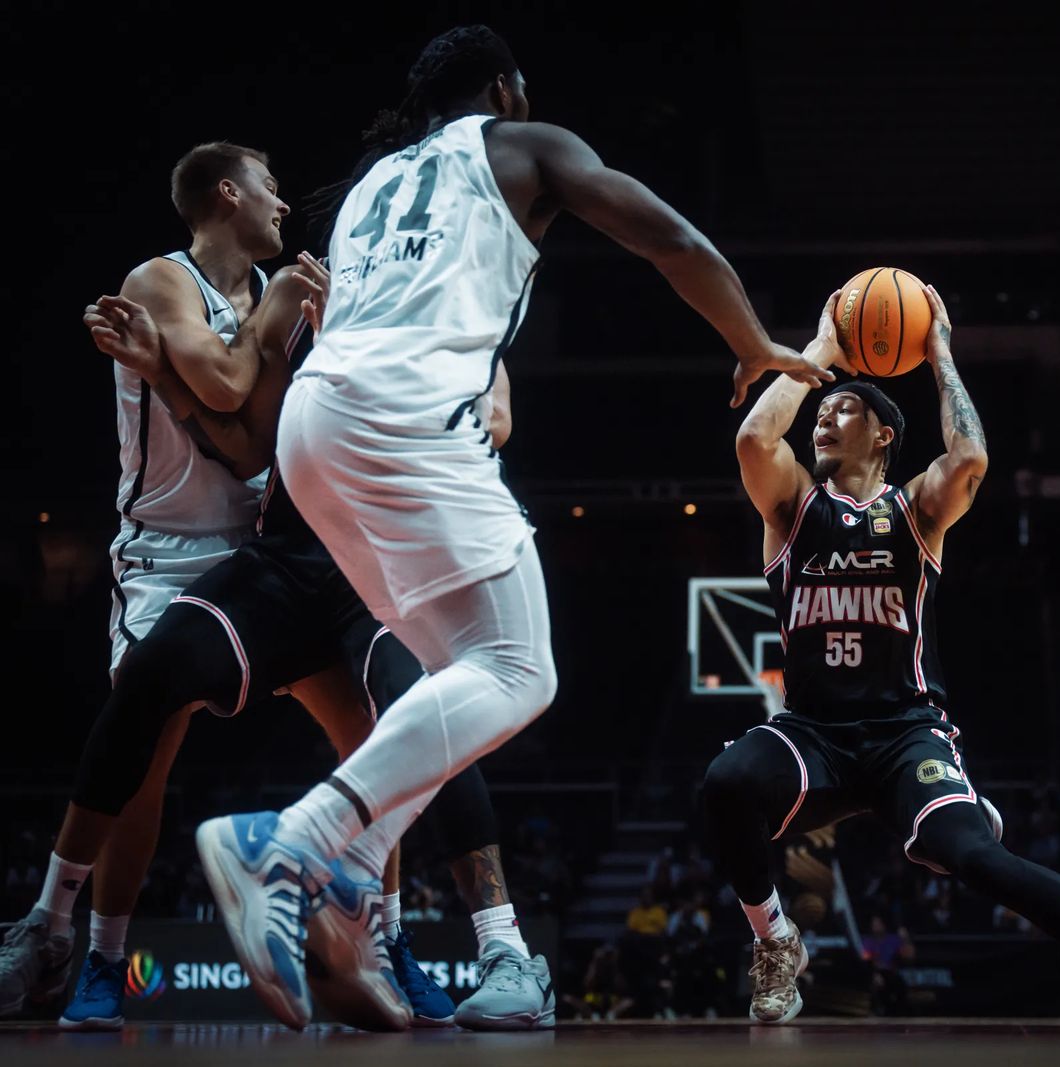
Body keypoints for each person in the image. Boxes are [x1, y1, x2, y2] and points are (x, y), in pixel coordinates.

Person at [194, 23, 830, 1032]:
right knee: (522, 671)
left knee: (456, 686)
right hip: (405, 418)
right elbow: (672, 237)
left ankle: (351, 884)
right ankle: (293, 840)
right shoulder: (521, 145)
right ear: (503, 88)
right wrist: (753, 343)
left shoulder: (374, 180)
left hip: (314, 428)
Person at [701, 289, 1060, 1027]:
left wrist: (940, 350)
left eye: (845, 408)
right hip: (812, 733)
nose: (824, 413)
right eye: (822, 407)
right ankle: (775, 940)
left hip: (904, 732)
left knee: (976, 858)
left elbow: (973, 455)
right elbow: (755, 440)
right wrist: (823, 346)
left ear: (885, 434)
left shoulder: (915, 508)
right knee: (726, 781)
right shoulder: (793, 507)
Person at [72, 281, 548, 1030]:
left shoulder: (457, 321)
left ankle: (497, 948)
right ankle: (61, 930)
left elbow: (490, 423)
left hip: (389, 570)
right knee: (150, 675)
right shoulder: (295, 314)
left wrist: (369, 362)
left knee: (428, 709)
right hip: (289, 563)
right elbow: (244, 444)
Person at [0, 142, 311, 1024]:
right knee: (145, 763)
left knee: (366, 716)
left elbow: (249, 440)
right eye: (271, 185)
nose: (283, 204)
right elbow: (223, 384)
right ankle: (95, 955)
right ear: (226, 193)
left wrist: (250, 337)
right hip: (166, 551)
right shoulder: (159, 280)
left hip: (263, 544)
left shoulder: (270, 295)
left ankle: (401, 934)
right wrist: (266, 328)